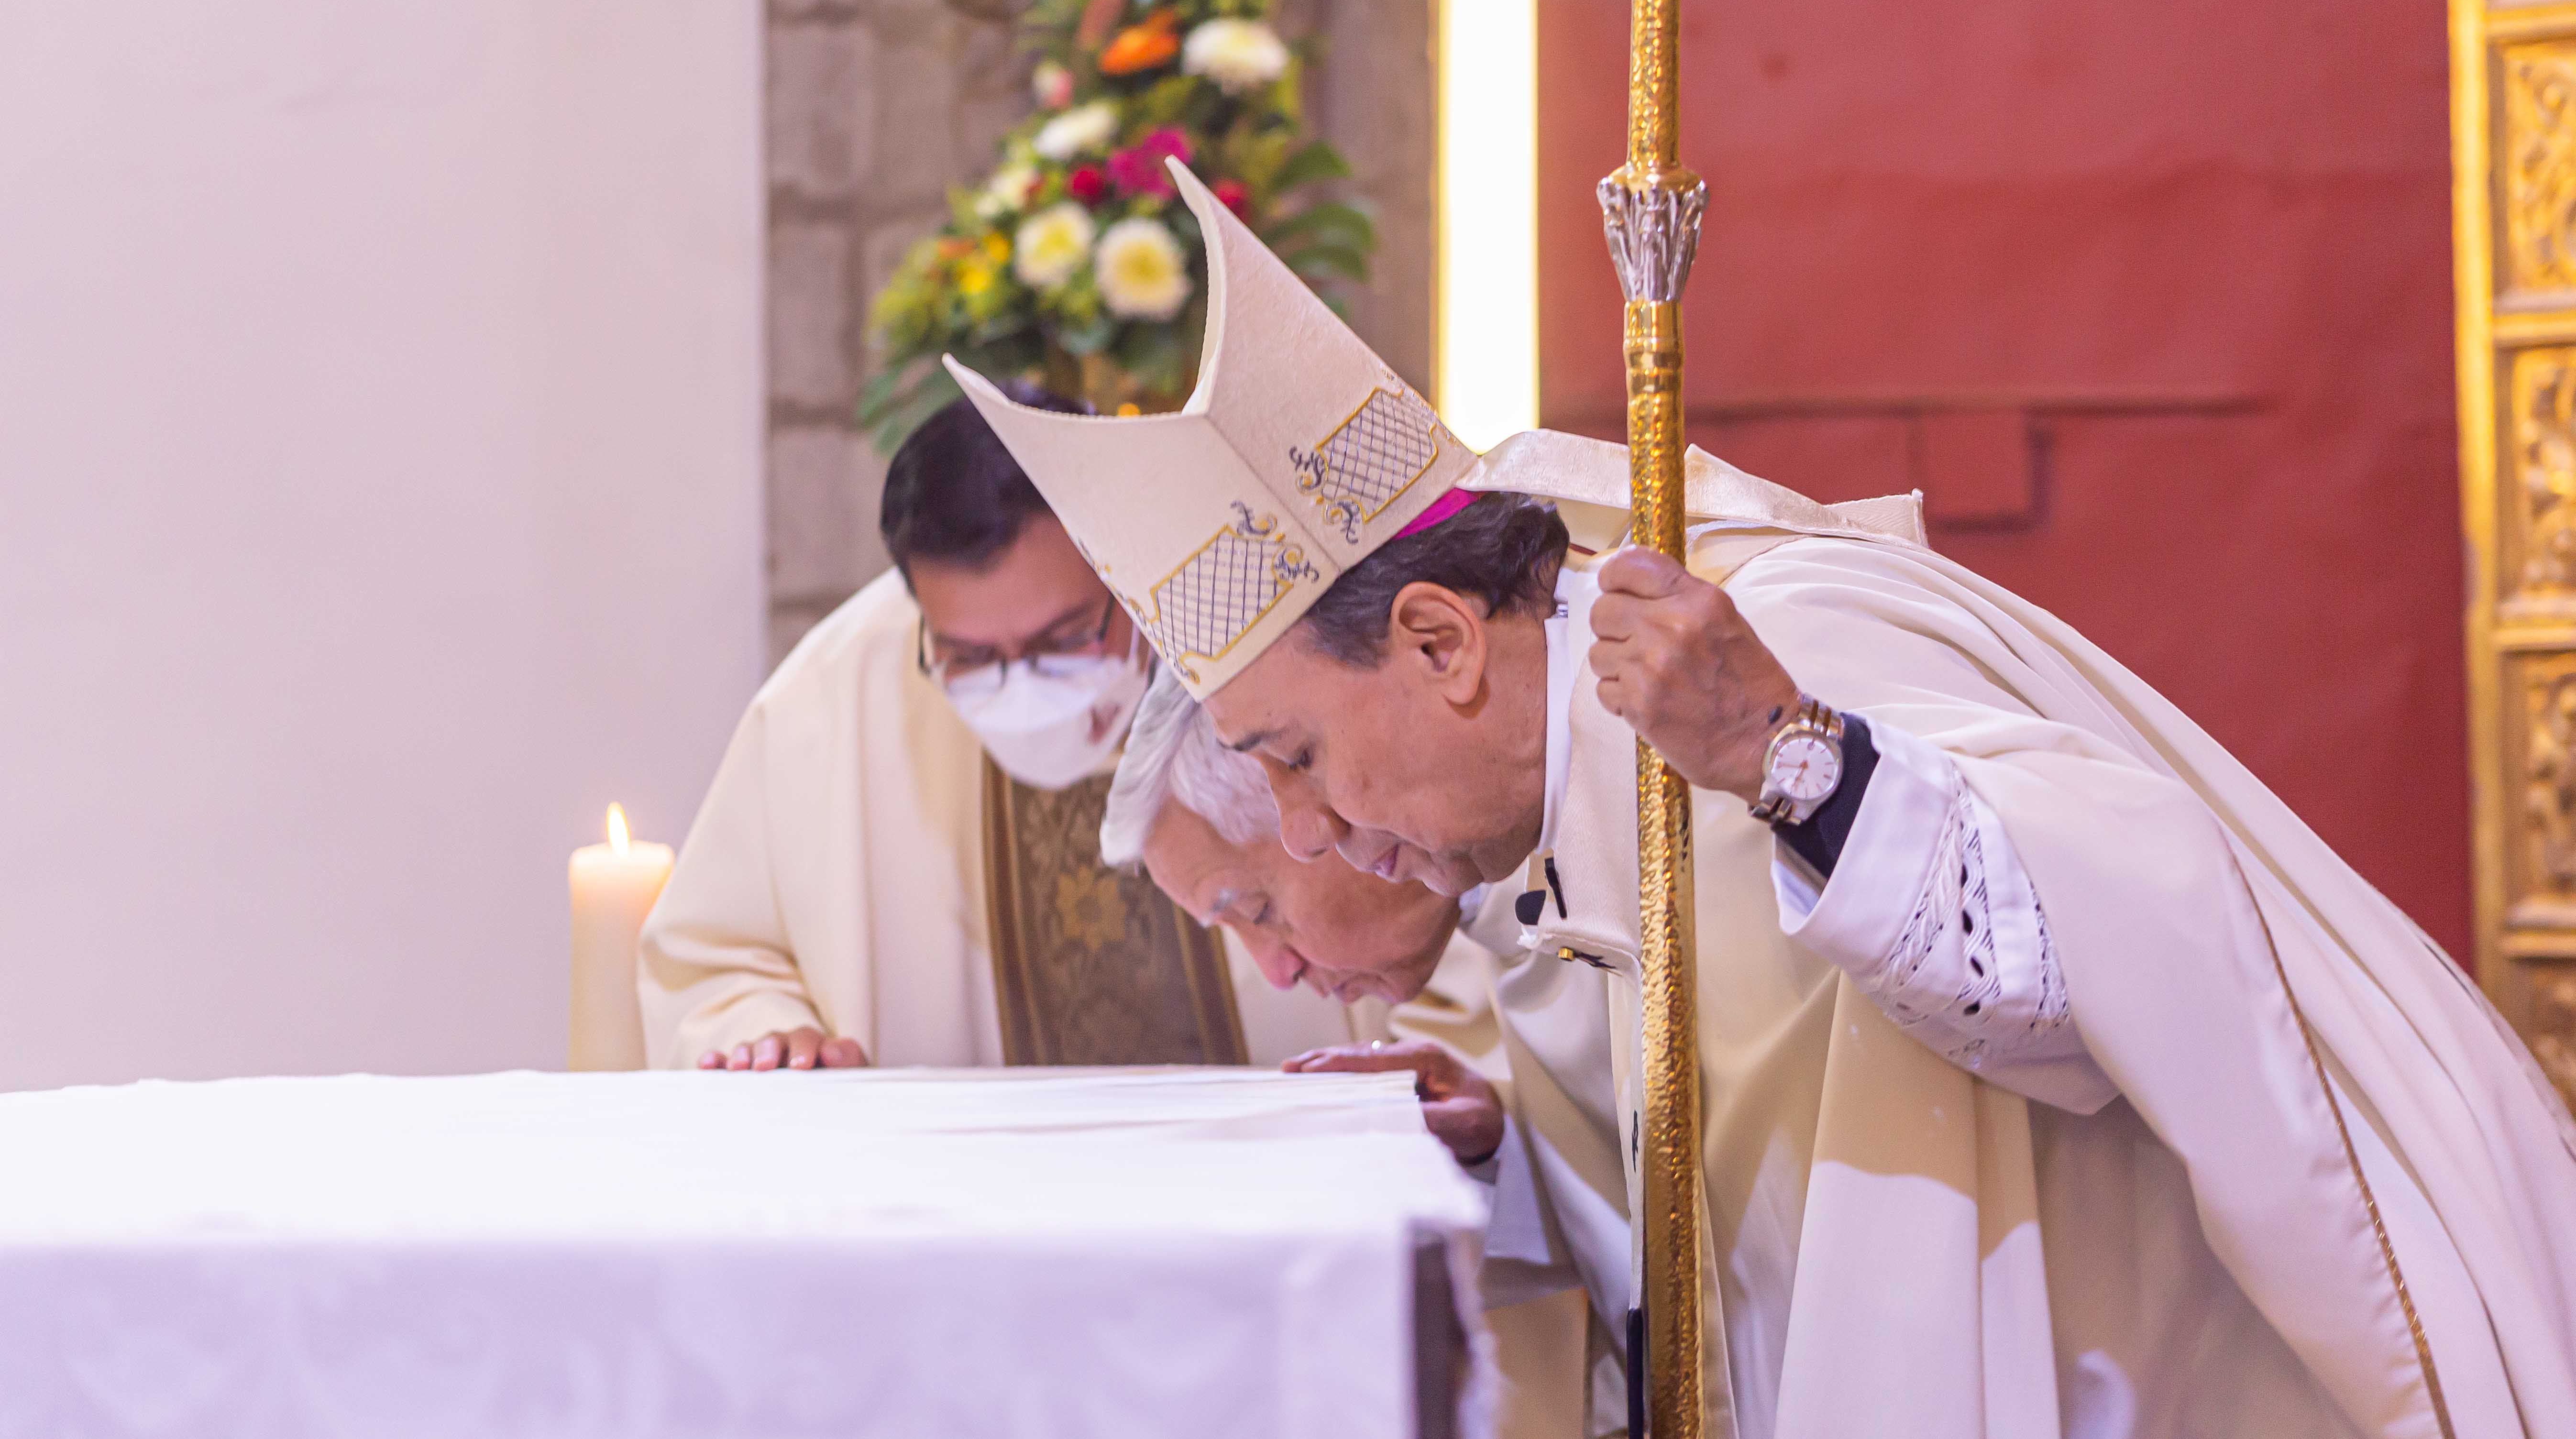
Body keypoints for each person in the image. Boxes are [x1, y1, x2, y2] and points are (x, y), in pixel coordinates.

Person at [951, 160, 2576, 1437]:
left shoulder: (1775, 644)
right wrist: (1503, 1146)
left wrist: (1793, 759)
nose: (1302, 832)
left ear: (1439, 642)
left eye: (1297, 757)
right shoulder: (1549, 832)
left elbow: (2128, 938)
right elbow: (1710, 1208)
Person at [637, 385, 1359, 1074]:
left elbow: (1409, 887)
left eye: (1065, 639)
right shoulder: (828, 698)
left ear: (1125, 571)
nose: (1022, 689)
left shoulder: (1262, 635)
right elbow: (717, 966)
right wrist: (771, 1035)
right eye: (972, 658)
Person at [1103, 662, 1633, 1437]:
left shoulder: (1615, 830)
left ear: (1316, 795)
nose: (1277, 972)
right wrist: (1498, 1145)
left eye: (1258, 910)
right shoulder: (1515, 909)